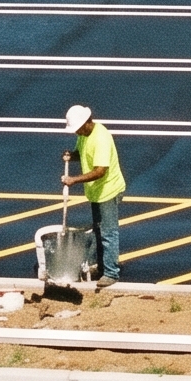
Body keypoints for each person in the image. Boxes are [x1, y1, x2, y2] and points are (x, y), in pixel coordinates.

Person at [62, 104, 126, 288]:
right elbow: (81, 153)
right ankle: (101, 267)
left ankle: (111, 273)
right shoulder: (84, 135)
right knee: (98, 230)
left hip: (108, 190)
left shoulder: (101, 138)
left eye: (78, 129)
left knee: (108, 232)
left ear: (87, 122)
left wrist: (74, 180)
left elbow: (100, 171)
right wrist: (70, 155)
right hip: (96, 192)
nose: (77, 133)